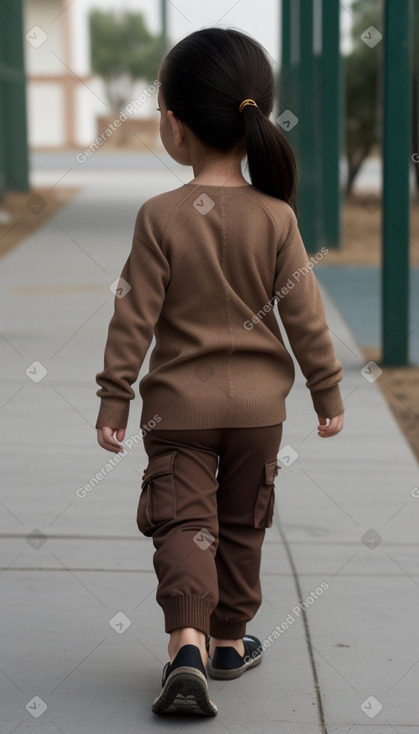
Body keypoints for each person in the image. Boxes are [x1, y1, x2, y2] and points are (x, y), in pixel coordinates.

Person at [95, 27, 344, 717]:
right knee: (242, 524)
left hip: (178, 412)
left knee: (181, 523)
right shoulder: (276, 218)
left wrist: (114, 401)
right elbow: (306, 320)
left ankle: (186, 645)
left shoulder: (160, 217)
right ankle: (230, 641)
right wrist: (326, 391)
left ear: (174, 126)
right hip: (260, 414)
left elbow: (131, 320)